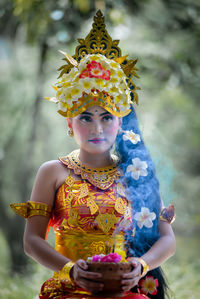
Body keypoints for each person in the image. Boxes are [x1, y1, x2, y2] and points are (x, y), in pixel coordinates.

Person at [10, 10, 176, 299]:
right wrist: (72, 271)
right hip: (67, 292)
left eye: (107, 117)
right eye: (85, 117)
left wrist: (141, 265)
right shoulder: (53, 172)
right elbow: (32, 241)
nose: (97, 128)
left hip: (127, 291)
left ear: (120, 122)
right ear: (69, 123)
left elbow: (167, 239)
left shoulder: (137, 171)